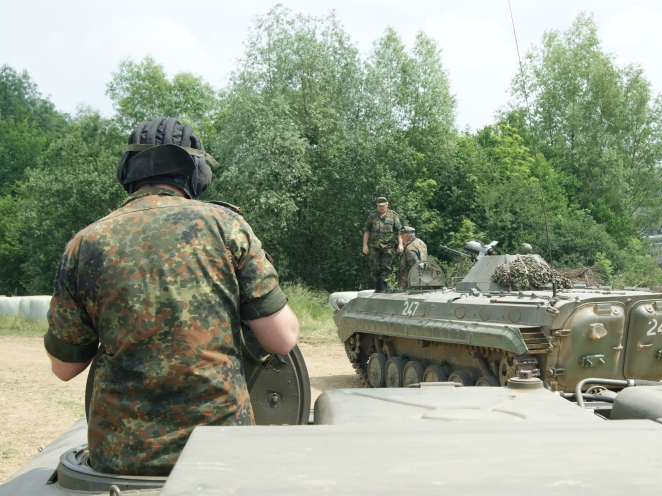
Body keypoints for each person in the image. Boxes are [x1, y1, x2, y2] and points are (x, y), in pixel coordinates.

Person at [44, 117, 299, 476]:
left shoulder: (85, 244)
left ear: (128, 172)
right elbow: (282, 339)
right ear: (196, 173)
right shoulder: (225, 227)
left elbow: (64, 367)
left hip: (122, 459)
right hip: (222, 452)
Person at [362, 196, 403, 292]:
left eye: (383, 206)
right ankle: (377, 287)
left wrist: (400, 244)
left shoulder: (393, 215)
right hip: (374, 246)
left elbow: (399, 231)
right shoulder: (372, 215)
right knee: (374, 267)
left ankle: (384, 287)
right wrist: (365, 245)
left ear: (387, 205)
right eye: (379, 206)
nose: (381, 208)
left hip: (388, 246)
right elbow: (367, 230)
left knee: (386, 267)